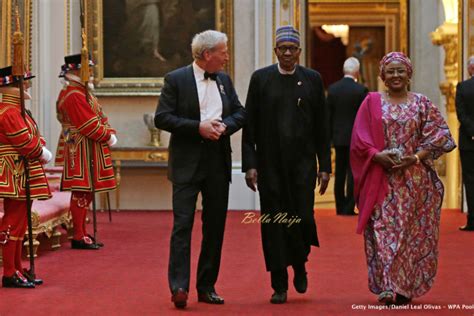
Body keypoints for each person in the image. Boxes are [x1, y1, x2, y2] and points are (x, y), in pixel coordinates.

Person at [350, 52, 456, 305]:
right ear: (382, 76)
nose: (396, 75)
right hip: (381, 179)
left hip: (415, 181)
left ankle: (404, 285)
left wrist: (415, 158)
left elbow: (441, 137)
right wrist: (377, 156)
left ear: (409, 74)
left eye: (400, 71)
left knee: (409, 234)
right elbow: (359, 140)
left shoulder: (422, 103)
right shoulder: (371, 102)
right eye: (391, 71)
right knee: (383, 230)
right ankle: (387, 285)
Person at [154, 30, 245, 309]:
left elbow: (241, 112)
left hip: (218, 162)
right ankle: (179, 286)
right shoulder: (176, 79)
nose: (227, 56)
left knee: (214, 228)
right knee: (183, 226)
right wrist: (198, 128)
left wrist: (224, 126)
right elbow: (162, 117)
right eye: (223, 51)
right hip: (187, 163)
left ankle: (206, 286)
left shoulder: (224, 80)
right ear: (208, 55)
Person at [242, 25, 331, 304]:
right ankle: (279, 283)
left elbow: (322, 127)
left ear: (300, 52)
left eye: (293, 49)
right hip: (270, 167)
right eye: (283, 49)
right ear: (276, 51)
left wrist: (325, 165)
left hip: (303, 166)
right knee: (274, 224)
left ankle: (300, 262)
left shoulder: (313, 79)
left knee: (302, 218)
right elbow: (250, 127)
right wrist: (250, 165)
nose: (288, 53)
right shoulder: (261, 79)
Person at [55, 54, 118, 250]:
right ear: (76, 71)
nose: (90, 73)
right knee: (81, 190)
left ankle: (81, 232)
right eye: (87, 70)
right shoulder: (74, 95)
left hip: (88, 146)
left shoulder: (82, 92)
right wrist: (107, 135)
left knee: (87, 191)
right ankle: (78, 235)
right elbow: (88, 123)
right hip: (81, 147)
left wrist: (108, 130)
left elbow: (99, 116)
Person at [0, 66, 53, 288]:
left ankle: (18, 268)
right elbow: (24, 141)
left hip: (22, 169)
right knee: (13, 220)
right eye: (25, 82)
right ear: (14, 87)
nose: (28, 85)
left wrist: (39, 147)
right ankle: (9, 271)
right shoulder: (9, 111)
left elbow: (34, 136)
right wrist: (41, 152)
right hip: (14, 170)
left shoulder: (18, 110)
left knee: (21, 221)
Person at [327, 57, 368, 215]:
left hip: (338, 138)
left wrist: (329, 138)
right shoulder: (361, 90)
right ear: (357, 71)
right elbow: (364, 117)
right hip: (355, 138)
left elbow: (328, 116)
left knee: (339, 173)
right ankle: (349, 207)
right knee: (352, 173)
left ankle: (339, 207)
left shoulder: (333, 89)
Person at [455, 55, 474, 231]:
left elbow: (461, 114)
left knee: (470, 180)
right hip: (469, 140)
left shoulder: (463, 87)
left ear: (470, 69)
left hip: (469, 142)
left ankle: (473, 220)